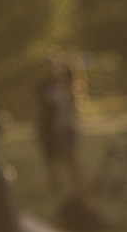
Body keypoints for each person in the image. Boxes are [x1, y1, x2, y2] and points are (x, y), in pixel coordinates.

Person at [31, 51, 86, 198]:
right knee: (50, 159)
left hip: (66, 127)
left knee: (70, 158)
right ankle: (55, 188)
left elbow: (74, 106)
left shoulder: (69, 82)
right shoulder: (43, 85)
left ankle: (78, 187)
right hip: (49, 127)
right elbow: (39, 108)